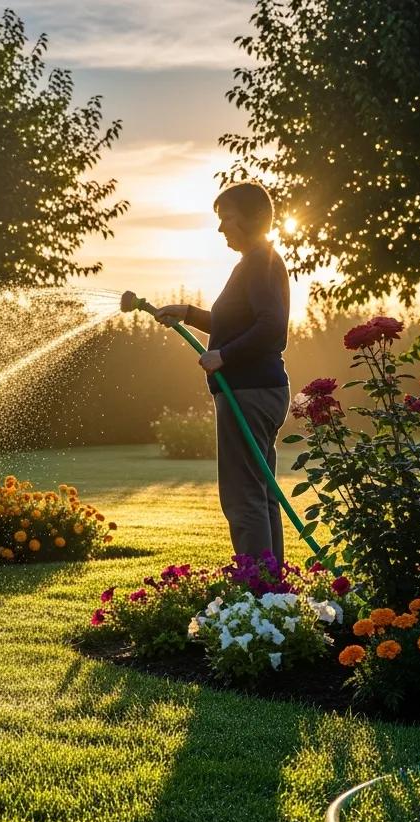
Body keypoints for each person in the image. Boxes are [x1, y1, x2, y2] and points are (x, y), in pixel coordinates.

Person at [155, 181, 291, 562]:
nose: (220, 228)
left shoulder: (260, 262)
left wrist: (224, 356)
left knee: (242, 493)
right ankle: (272, 588)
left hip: (248, 391)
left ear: (252, 218)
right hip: (259, 389)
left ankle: (259, 592)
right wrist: (188, 313)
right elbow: (233, 321)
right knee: (260, 491)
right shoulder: (255, 262)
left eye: (227, 218)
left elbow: (271, 327)